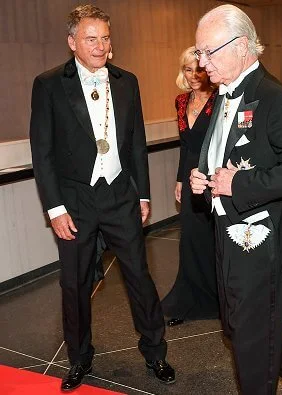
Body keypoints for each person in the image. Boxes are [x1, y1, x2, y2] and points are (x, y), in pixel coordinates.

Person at [29, 4, 175, 391]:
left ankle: (155, 352)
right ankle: (79, 358)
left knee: (139, 277)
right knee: (74, 284)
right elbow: (42, 151)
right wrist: (55, 208)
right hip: (74, 202)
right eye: (91, 38)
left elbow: (136, 144)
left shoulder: (128, 81)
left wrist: (143, 194)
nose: (99, 45)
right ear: (72, 41)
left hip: (120, 196)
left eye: (105, 38)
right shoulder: (48, 84)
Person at [189, 5, 282, 394]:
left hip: (260, 240)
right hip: (225, 231)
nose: (202, 63)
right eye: (199, 52)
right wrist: (204, 177)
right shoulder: (223, 94)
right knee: (238, 328)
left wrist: (241, 184)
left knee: (250, 340)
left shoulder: (273, 98)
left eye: (208, 52)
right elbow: (224, 155)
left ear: (241, 46)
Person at [160, 47, 219, 326]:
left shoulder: (221, 99)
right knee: (190, 241)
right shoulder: (181, 101)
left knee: (215, 239)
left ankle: (221, 300)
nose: (194, 75)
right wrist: (179, 180)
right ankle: (188, 299)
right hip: (189, 179)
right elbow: (185, 146)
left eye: (198, 68)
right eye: (187, 69)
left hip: (215, 178)